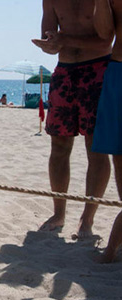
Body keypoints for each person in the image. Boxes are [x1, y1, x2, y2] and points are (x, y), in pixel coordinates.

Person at [32, 0, 113, 238]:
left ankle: (87, 219)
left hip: (98, 68)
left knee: (95, 148)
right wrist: (49, 45)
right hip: (64, 70)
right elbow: (51, 43)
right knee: (58, 146)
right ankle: (59, 213)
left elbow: (107, 39)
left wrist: (65, 40)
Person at [92, 0, 122, 262]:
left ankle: (111, 250)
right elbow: (105, 34)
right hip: (119, 68)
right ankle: (112, 250)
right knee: (118, 153)